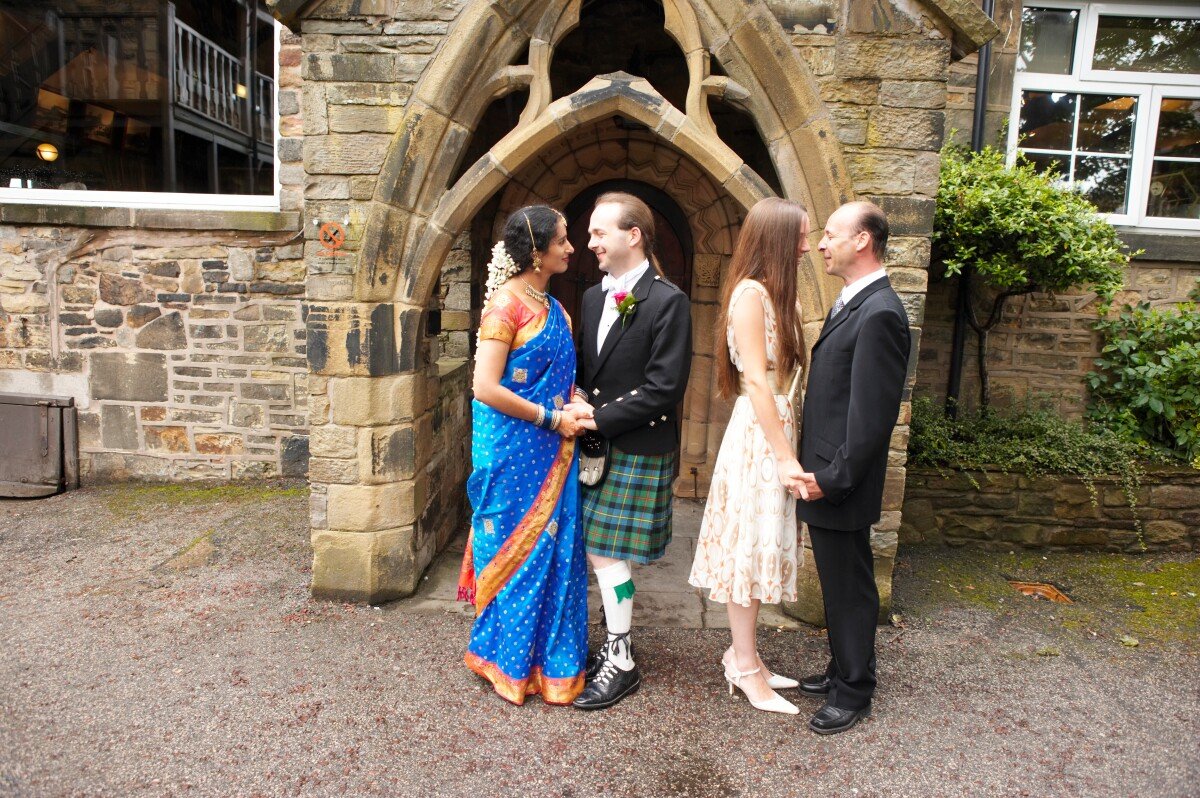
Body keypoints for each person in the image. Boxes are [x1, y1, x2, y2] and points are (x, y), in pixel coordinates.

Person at [456, 205, 591, 706]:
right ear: (537, 252)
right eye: (562, 240)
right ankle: (506, 661)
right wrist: (552, 419)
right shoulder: (505, 307)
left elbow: (563, 378)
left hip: (553, 450)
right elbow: (485, 387)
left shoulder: (556, 309)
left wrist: (576, 401)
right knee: (514, 550)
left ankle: (550, 662)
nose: (571, 248)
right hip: (514, 452)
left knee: (555, 551)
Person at [566, 192, 693, 710]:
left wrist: (597, 417)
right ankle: (617, 643)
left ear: (633, 235)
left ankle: (620, 659)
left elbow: (665, 387)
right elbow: (586, 367)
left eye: (599, 233)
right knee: (599, 547)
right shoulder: (593, 298)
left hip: (637, 442)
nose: (590, 242)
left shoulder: (668, 301)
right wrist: (577, 396)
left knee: (604, 549)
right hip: (595, 442)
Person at [688, 197, 811, 716]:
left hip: (776, 426)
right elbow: (757, 381)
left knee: (760, 549)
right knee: (747, 549)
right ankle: (742, 665)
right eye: (801, 236)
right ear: (778, 239)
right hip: (760, 438)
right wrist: (784, 457)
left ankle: (748, 657)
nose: (808, 246)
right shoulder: (750, 295)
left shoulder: (780, 296)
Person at [793, 201, 912, 735]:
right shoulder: (855, 302)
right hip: (828, 470)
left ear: (862, 240)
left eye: (831, 234)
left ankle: (854, 689)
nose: (821, 244)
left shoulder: (880, 312)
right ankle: (843, 665)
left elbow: (871, 418)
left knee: (850, 586)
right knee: (840, 580)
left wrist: (831, 479)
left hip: (839, 478)